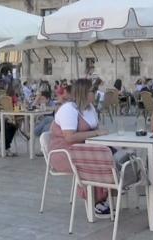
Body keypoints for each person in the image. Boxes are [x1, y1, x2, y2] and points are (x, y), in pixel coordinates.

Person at [48, 78, 110, 216]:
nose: (96, 93)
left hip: (83, 149)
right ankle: (95, 201)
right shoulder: (68, 110)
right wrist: (96, 133)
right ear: (83, 93)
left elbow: (96, 128)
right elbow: (69, 137)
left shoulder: (90, 108)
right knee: (95, 162)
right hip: (64, 152)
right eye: (93, 91)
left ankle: (112, 190)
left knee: (113, 154)